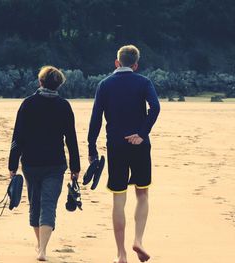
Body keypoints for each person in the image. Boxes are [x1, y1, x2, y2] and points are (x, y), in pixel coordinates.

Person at [88, 45, 160, 263]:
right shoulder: (143, 82)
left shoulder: (105, 84)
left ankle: (121, 254)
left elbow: (96, 118)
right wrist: (142, 132)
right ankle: (138, 239)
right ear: (136, 65)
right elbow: (155, 108)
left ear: (116, 62)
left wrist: (91, 147)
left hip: (116, 146)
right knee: (142, 193)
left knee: (118, 198)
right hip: (139, 144)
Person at [8, 66, 80, 261]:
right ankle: (42, 249)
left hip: (31, 163)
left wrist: (12, 165)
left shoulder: (28, 104)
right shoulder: (63, 106)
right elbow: (71, 139)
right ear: (59, 84)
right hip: (55, 164)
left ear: (40, 82)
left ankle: (40, 245)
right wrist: (75, 167)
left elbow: (18, 137)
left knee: (35, 204)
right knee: (48, 205)